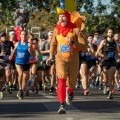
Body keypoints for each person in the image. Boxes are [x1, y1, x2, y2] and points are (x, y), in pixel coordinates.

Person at [47, 7, 87, 114]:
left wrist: (73, 43)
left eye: (63, 16)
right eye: (60, 17)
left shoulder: (76, 30)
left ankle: (70, 92)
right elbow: (53, 44)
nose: (61, 19)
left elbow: (84, 47)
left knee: (72, 82)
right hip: (60, 59)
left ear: (68, 18)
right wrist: (51, 56)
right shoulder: (56, 30)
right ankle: (61, 104)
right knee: (61, 79)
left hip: (73, 59)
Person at [9, 30, 33, 100]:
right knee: (20, 74)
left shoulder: (28, 44)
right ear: (20, 36)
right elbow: (14, 51)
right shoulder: (17, 44)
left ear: (26, 36)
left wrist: (30, 52)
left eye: (25, 34)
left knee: (25, 78)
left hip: (26, 63)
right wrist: (11, 55)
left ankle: (21, 90)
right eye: (22, 34)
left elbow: (32, 53)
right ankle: (20, 88)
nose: (23, 36)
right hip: (18, 62)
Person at [97, 28, 119, 99]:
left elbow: (118, 51)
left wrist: (118, 56)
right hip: (105, 61)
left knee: (111, 77)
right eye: (109, 32)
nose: (111, 34)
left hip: (112, 61)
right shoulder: (104, 41)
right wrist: (103, 56)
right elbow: (98, 51)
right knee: (106, 78)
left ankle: (110, 93)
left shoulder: (115, 42)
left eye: (112, 32)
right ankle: (106, 86)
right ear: (107, 34)